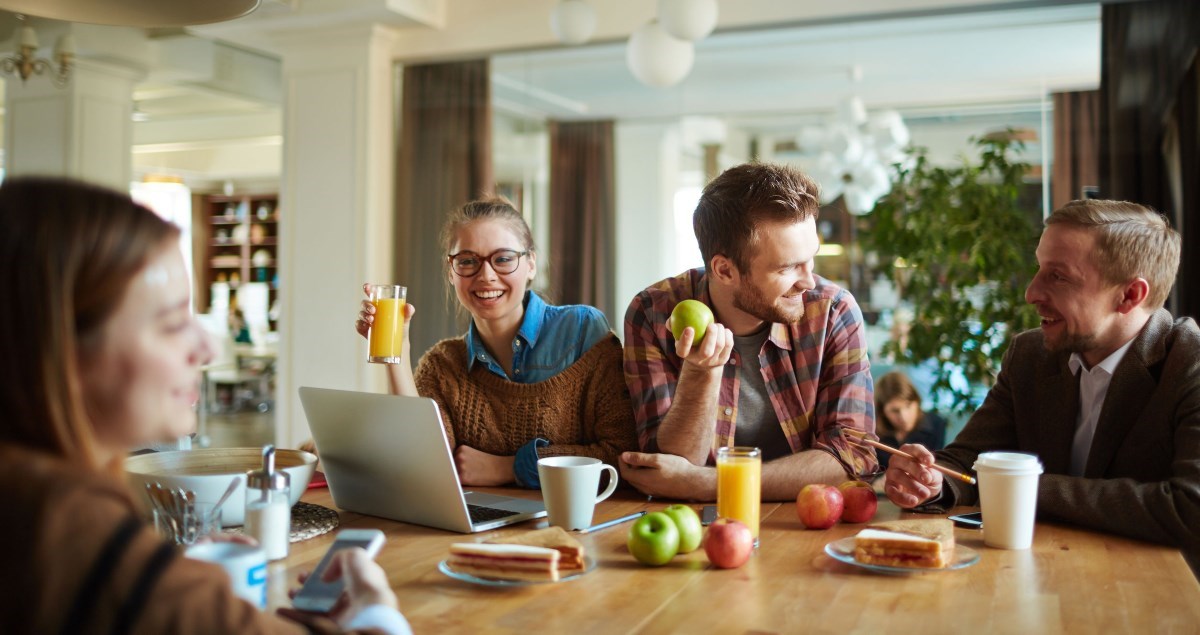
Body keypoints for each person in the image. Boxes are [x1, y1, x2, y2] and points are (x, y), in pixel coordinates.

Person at [0, 177, 409, 634]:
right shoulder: (80, 540)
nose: (207, 349)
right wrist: (376, 610)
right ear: (61, 350)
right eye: (173, 322)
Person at [884, 199, 1200, 573]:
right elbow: (966, 462)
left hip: (1154, 595)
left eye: (1059, 276)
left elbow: (1191, 509)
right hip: (1039, 573)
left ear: (1130, 295)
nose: (1031, 292)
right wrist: (932, 482)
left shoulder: (1188, 361)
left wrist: (1028, 488)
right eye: (1039, 269)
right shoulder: (1030, 354)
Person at [621, 162, 878, 501]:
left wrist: (711, 484)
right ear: (725, 270)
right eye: (788, 268)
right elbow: (669, 470)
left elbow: (853, 458)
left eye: (810, 260)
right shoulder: (653, 314)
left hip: (802, 521)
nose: (808, 281)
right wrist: (701, 373)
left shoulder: (833, 312)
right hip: (697, 527)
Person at [355, 197, 636, 489]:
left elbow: (622, 457)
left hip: (577, 526)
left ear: (530, 264)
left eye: (503, 259)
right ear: (451, 271)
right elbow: (420, 466)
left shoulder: (582, 330)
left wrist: (510, 467)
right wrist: (397, 353)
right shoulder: (442, 365)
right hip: (475, 529)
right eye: (467, 261)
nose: (486, 276)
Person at [873, 371, 946, 470]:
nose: (904, 416)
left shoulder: (936, 424)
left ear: (917, 401)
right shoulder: (874, 433)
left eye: (908, 406)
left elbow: (938, 467)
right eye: (895, 410)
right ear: (882, 412)